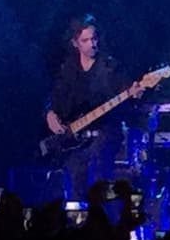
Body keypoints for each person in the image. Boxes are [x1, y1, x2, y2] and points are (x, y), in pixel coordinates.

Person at [44, 15, 143, 202]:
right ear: (75, 43)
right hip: (76, 139)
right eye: (85, 40)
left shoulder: (110, 66)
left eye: (94, 38)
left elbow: (125, 89)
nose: (92, 44)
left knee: (97, 174)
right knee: (73, 178)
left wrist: (134, 92)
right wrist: (50, 114)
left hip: (105, 134)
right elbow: (54, 96)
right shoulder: (68, 68)